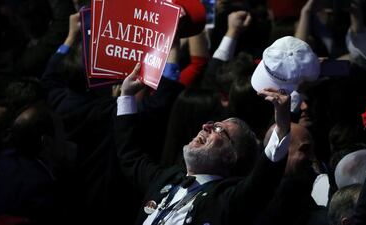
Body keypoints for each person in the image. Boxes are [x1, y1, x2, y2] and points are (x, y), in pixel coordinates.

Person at [115, 63, 291, 225]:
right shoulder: (167, 178)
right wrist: (127, 96)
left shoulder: (227, 198)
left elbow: (263, 180)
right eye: (212, 124)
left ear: (231, 156)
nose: (206, 126)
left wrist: (283, 125)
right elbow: (130, 156)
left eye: (219, 130)